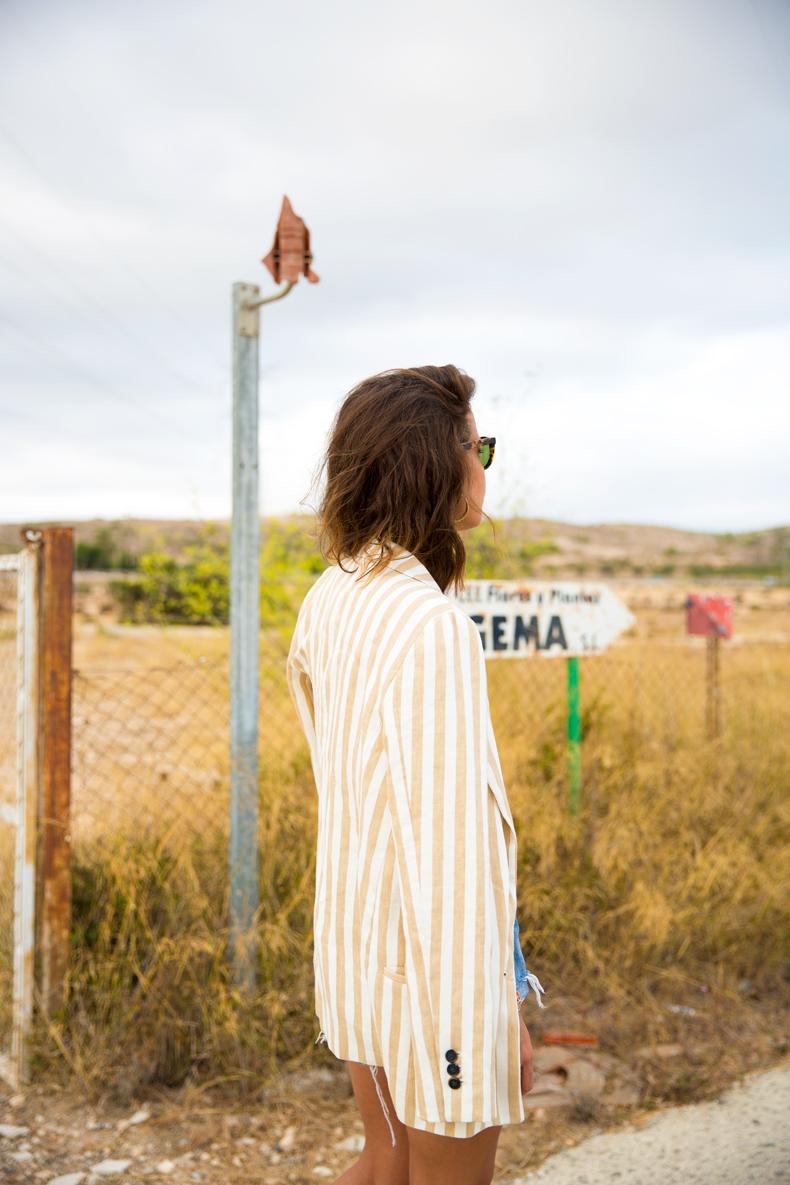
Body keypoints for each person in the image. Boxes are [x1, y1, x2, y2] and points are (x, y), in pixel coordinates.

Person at [286, 364, 546, 1185]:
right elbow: (451, 857)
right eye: (479, 447)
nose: (484, 466)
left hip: (358, 953)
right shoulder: (428, 626)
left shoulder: (332, 594)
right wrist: (491, 1007)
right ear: (436, 461)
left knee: (383, 1158)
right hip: (431, 983)